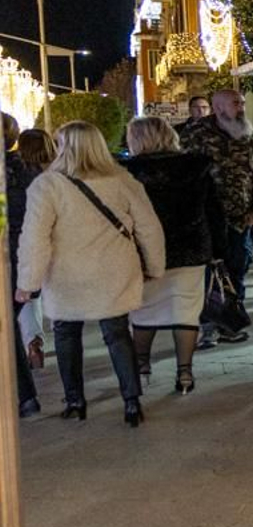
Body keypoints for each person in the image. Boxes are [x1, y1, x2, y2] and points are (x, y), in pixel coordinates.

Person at [16, 121, 165, 426]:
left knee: (66, 334)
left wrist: (28, 282)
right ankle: (132, 402)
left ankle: (75, 402)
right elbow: (149, 227)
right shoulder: (122, 180)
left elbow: (35, 238)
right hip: (113, 269)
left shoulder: (47, 185)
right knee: (117, 333)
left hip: (66, 274)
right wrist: (154, 265)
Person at [123, 117, 227, 396]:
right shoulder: (195, 166)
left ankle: (141, 366)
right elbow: (214, 211)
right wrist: (219, 249)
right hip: (191, 248)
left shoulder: (129, 172)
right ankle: (185, 372)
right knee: (186, 311)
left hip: (145, 252)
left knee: (143, 310)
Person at [183, 88, 253, 344]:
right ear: (218, 108)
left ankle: (231, 322)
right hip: (208, 219)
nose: (241, 108)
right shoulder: (196, 135)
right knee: (208, 274)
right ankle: (207, 325)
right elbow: (186, 176)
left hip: (241, 218)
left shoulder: (248, 135)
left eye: (242, 103)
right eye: (235, 104)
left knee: (238, 268)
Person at [3, 115, 39, 418]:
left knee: (7, 326)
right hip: (24, 257)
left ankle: (24, 396)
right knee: (8, 324)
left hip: (9, 256)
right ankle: (25, 397)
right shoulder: (27, 170)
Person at [12, 129, 55, 372]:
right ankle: (49, 334)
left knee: (28, 293)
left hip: (23, 240)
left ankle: (33, 339)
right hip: (55, 240)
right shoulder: (57, 173)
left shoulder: (15, 175)